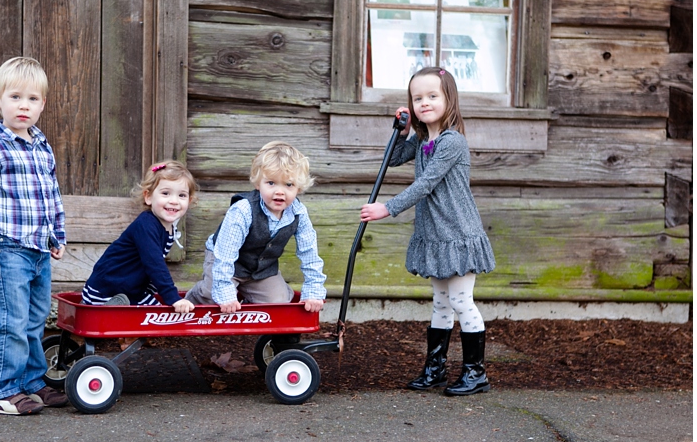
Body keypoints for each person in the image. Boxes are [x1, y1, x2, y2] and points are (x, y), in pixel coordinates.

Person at [360, 66, 495, 396]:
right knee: (441, 303)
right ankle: (435, 369)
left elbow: (426, 184)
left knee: (462, 301)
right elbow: (391, 159)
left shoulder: (452, 142)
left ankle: (475, 373)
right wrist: (403, 130)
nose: (424, 103)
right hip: (436, 237)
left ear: (449, 99)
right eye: (417, 97)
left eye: (432, 96)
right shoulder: (422, 140)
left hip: (458, 235)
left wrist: (387, 208)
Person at [0, 56, 68, 415]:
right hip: (8, 249)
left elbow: (50, 194)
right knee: (11, 321)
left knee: (36, 319)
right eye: (15, 97)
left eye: (32, 99)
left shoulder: (41, 146)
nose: (24, 105)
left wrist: (57, 234)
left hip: (38, 249)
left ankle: (31, 383)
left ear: (43, 104)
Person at [185, 141, 327, 314]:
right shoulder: (243, 210)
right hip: (225, 261)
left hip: (261, 270)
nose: (279, 191)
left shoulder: (298, 213)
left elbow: (309, 253)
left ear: (299, 187)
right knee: (213, 295)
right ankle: (190, 301)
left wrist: (313, 290)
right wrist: (224, 291)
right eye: (271, 183)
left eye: (288, 185)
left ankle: (249, 297)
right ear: (258, 183)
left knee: (278, 304)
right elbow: (225, 255)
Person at [81, 161, 197, 315]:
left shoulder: (168, 228)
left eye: (181, 195)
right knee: (153, 317)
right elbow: (154, 263)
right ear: (148, 197)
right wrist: (173, 297)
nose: (174, 200)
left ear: (188, 201)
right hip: (106, 290)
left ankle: (129, 334)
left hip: (132, 290)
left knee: (160, 316)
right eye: (165, 193)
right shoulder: (146, 225)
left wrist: (153, 292)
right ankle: (111, 314)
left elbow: (147, 269)